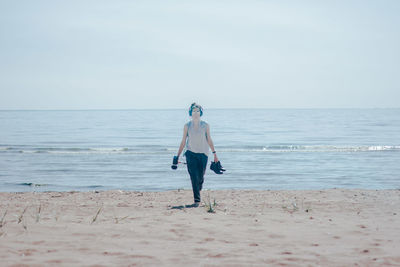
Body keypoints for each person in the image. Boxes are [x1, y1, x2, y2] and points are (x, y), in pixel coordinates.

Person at [175, 103, 219, 207]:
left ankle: (198, 189)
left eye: (197, 111)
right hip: (190, 154)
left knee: (200, 178)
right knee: (194, 177)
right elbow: (183, 141)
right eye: (194, 111)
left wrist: (214, 154)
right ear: (191, 113)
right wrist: (177, 156)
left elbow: (209, 139)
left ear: (200, 113)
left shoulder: (205, 125)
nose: (195, 113)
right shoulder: (187, 126)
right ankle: (197, 201)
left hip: (203, 154)